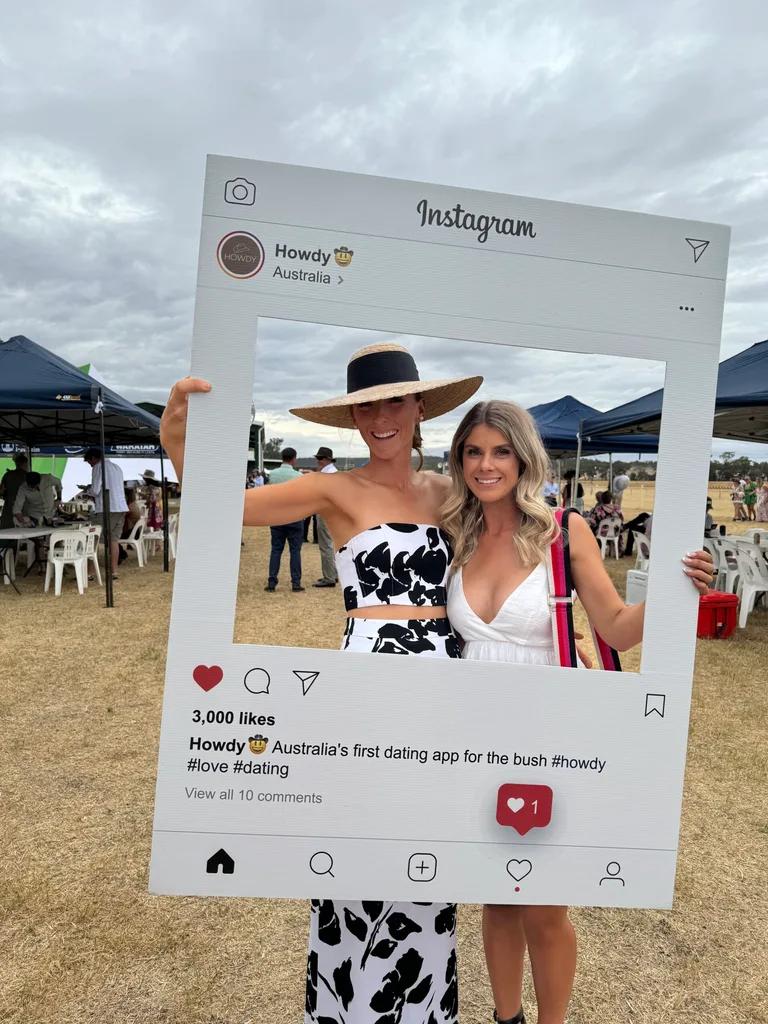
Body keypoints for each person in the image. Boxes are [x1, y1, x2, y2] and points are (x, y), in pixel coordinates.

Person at [160, 342, 483, 1024]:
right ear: (353, 419)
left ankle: (424, 1009)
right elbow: (229, 507)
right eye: (367, 406)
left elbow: (523, 549)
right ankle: (349, 1007)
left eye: (394, 400)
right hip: (365, 684)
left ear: (420, 406)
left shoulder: (452, 492)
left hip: (444, 689)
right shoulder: (336, 488)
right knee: (360, 856)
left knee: (427, 861)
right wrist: (178, 442)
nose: (381, 417)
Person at [441, 399, 713, 1024]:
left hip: (548, 726)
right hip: (471, 728)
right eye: (474, 451)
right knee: (495, 895)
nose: (486, 465)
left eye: (500, 451)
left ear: (524, 457)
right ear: (460, 459)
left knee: (543, 903)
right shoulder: (457, 531)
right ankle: (505, 1018)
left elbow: (615, 629)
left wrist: (679, 591)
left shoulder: (563, 530)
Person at [264, 447, 305, 592]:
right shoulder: (298, 476)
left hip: (276, 515)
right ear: (293, 458)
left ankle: (272, 581)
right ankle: (296, 582)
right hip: (294, 515)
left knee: (276, 550)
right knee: (295, 550)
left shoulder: (273, 474)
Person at [83, 448, 128, 580]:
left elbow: (96, 490)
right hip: (120, 507)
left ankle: (90, 573)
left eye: (89, 462)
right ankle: (114, 572)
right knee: (114, 540)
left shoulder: (98, 467)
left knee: (92, 539)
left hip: (107, 508)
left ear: (93, 458)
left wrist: (87, 490)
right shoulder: (116, 467)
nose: (90, 465)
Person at [312, 446, 339, 588]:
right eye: (317, 458)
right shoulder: (333, 473)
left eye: (320, 458)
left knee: (325, 545)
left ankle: (329, 577)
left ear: (328, 459)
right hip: (330, 512)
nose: (318, 461)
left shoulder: (327, 475)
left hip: (325, 512)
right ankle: (333, 574)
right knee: (328, 543)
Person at [585, 490, 625, 555]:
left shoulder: (598, 509)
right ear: (611, 499)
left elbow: (592, 520)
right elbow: (622, 519)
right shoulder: (617, 508)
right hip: (615, 532)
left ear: (602, 499)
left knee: (593, 528)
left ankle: (594, 548)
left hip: (602, 532)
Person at [0, 454, 29, 534]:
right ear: (25, 463)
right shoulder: (28, 476)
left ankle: (7, 544)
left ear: (16, 463)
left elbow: (1, 491)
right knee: (25, 527)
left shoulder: (7, 475)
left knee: (8, 527)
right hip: (24, 504)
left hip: (9, 504)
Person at [118, 487, 142, 563]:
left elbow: (121, 516)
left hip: (131, 533)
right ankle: (121, 553)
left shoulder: (129, 507)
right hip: (135, 532)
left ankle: (121, 554)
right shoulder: (133, 504)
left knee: (112, 538)